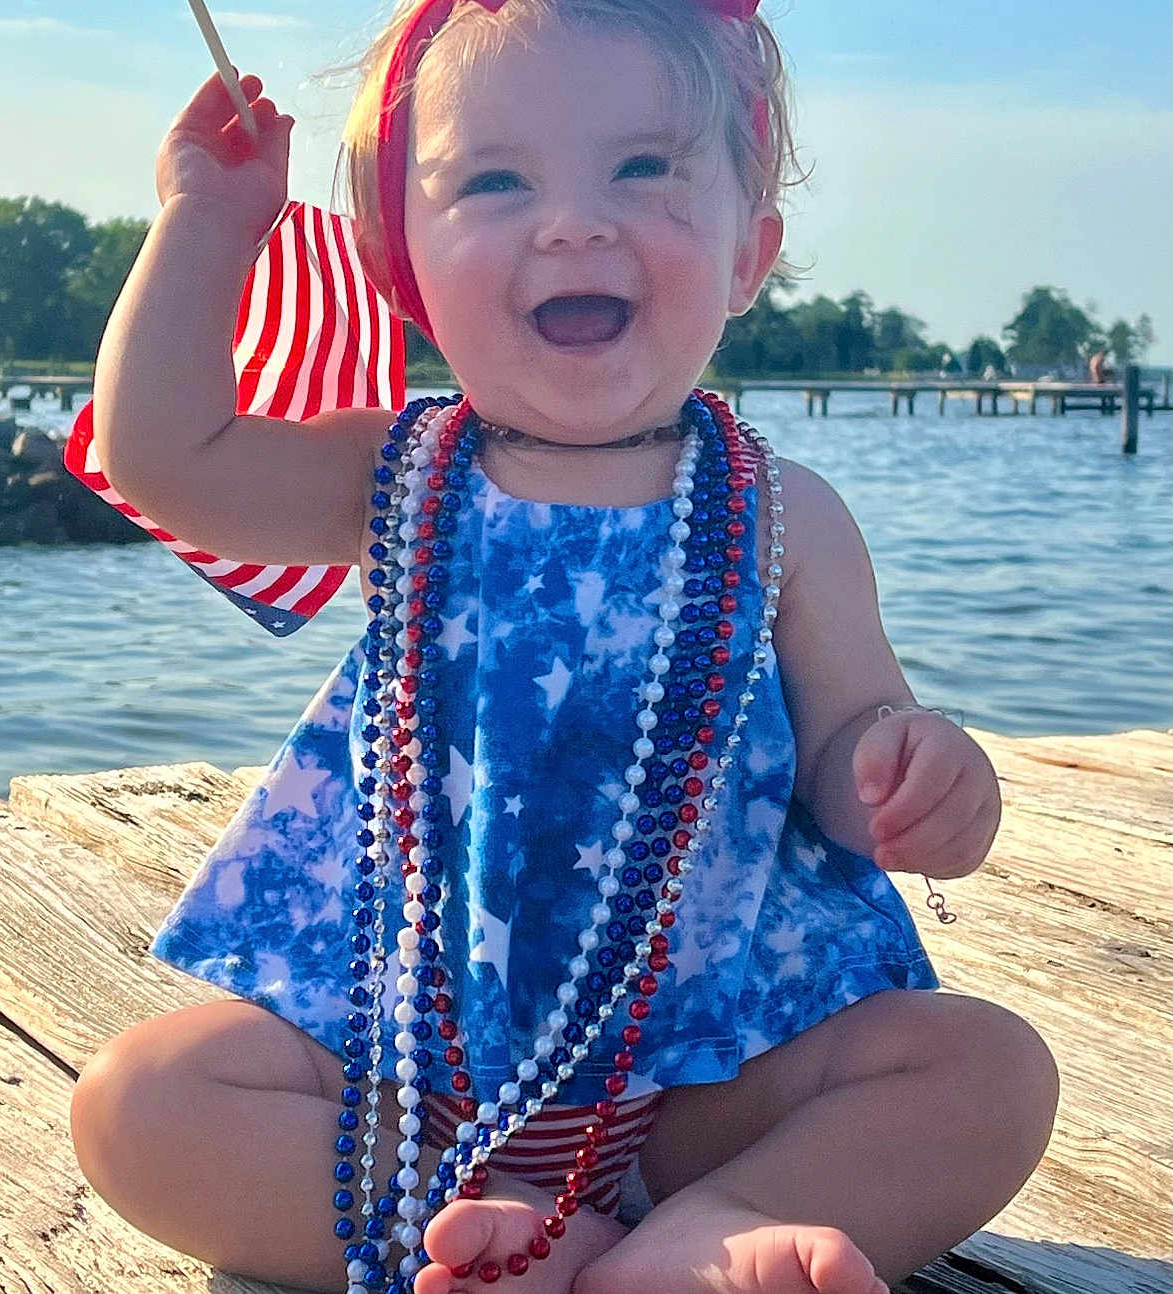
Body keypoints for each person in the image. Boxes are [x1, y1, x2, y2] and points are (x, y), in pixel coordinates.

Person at [68, 4, 1059, 1293]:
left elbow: (852, 736)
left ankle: (708, 1223)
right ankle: (473, 1226)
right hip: (412, 1056)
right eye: (493, 180)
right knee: (140, 1102)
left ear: (750, 249)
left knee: (987, 1070)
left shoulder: (784, 515)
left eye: (643, 168)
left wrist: (915, 775)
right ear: (404, 262)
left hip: (706, 1065)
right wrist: (208, 219)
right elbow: (162, 454)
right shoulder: (400, 477)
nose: (575, 223)